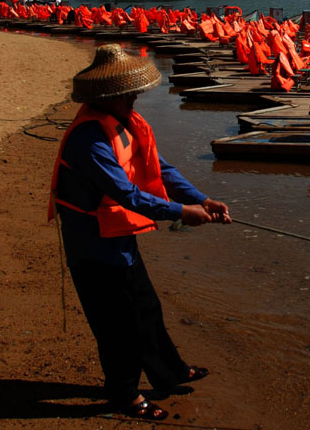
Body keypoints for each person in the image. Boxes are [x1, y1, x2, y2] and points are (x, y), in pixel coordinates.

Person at [49, 44, 231, 421]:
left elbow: (161, 169)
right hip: (93, 244)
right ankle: (124, 395)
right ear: (108, 96)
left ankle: (170, 372)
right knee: (116, 323)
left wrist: (203, 198)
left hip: (118, 236)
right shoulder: (90, 140)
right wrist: (181, 212)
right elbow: (127, 193)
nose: (135, 97)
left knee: (146, 307)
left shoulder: (126, 122)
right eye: (128, 93)